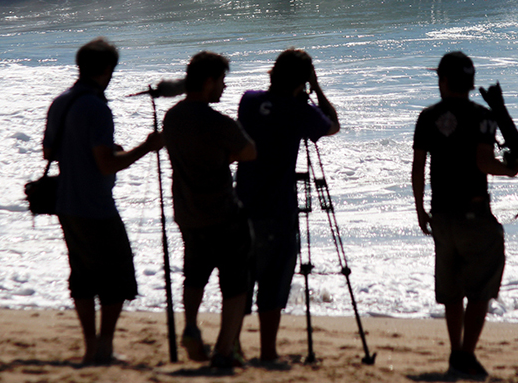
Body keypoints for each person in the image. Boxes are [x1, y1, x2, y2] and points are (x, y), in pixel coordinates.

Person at [42, 37, 164, 365]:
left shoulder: (61, 102)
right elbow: (106, 164)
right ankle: (105, 348)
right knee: (117, 277)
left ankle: (89, 347)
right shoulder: (97, 107)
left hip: (66, 203)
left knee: (82, 276)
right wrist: (145, 147)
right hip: (95, 205)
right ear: (108, 69)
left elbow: (49, 152)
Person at [411, 51, 518, 380]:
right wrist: (510, 170)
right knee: (480, 288)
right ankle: (466, 354)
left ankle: (455, 354)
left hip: (442, 214)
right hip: (474, 212)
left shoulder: (427, 116)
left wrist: (420, 208)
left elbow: (418, 169)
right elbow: (483, 162)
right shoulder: (483, 116)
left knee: (451, 291)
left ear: (445, 81)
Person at [235, 49, 340, 362]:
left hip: (242, 204)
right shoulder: (298, 111)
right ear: (303, 78)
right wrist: (316, 89)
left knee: (242, 279)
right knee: (273, 279)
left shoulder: (249, 100)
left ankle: (233, 343)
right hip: (277, 208)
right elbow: (332, 125)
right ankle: (268, 351)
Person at [162, 51, 257, 369]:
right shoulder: (219, 123)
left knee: (195, 275)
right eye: (221, 81)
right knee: (235, 283)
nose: (224, 87)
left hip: (188, 214)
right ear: (208, 81)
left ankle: (190, 326)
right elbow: (249, 152)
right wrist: (223, 156)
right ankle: (224, 349)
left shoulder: (172, 118)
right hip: (223, 213)